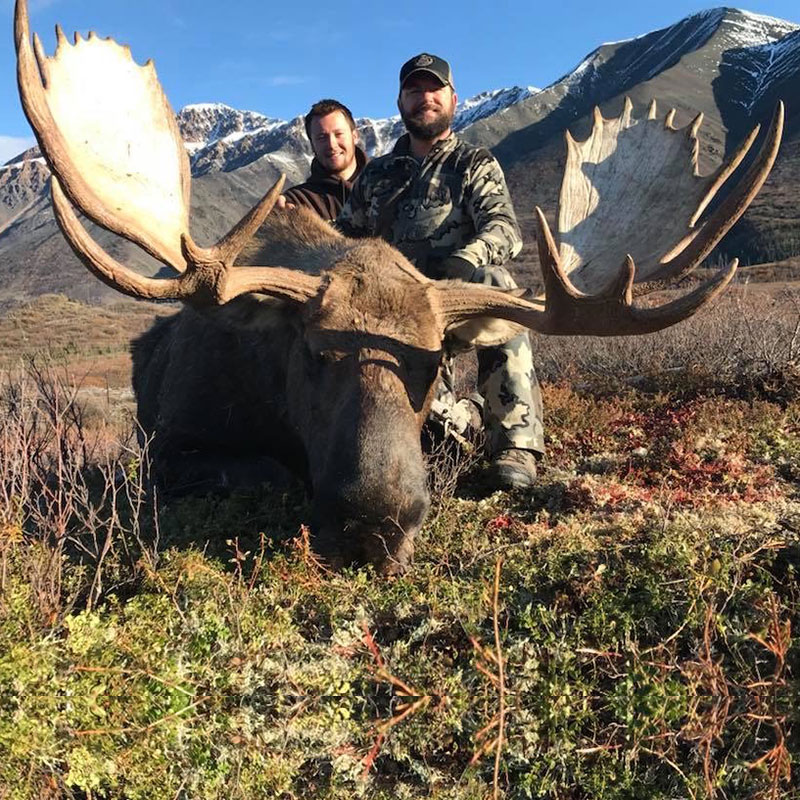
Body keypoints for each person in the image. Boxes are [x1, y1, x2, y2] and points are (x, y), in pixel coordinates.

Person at [337, 53, 544, 489]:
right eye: (414, 90)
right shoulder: (376, 175)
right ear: (400, 101)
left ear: (453, 99)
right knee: (439, 440)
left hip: (455, 302)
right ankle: (459, 421)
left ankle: (515, 443)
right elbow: (342, 240)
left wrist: (465, 261)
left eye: (434, 90)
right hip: (391, 315)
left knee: (499, 287)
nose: (424, 98)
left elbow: (504, 228)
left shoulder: (474, 164)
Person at [279, 98, 367, 221]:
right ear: (312, 144)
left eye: (338, 134)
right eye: (321, 137)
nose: (331, 144)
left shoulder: (389, 182)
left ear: (355, 136)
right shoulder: (298, 202)